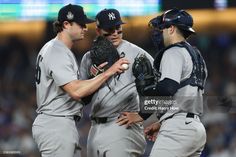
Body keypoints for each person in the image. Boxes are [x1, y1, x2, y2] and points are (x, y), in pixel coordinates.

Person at [32, 4, 129, 157]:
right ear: (66, 24)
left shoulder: (58, 49)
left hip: (60, 123)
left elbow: (79, 93)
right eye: (81, 24)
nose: (85, 28)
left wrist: (94, 77)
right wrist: (108, 72)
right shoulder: (56, 51)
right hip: (56, 123)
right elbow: (76, 91)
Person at [126, 8, 208, 156]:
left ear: (171, 29)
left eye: (162, 28)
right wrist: (161, 122)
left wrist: (146, 91)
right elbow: (184, 98)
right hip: (196, 128)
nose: (159, 32)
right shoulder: (197, 56)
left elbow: (168, 88)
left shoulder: (173, 51)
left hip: (179, 129)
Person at [79, 8, 154, 157]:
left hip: (122, 125)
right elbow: (83, 99)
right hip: (95, 128)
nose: (114, 33)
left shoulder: (138, 54)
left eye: (118, 28)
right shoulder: (88, 58)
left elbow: (165, 91)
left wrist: (142, 115)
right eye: (109, 28)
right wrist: (94, 78)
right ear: (98, 30)